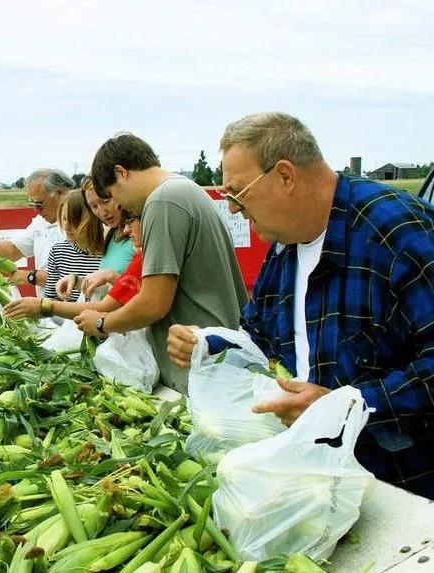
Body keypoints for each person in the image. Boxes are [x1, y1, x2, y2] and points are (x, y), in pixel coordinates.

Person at [167, 112, 434, 498]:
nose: (233, 209)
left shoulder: (397, 232)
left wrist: (349, 407)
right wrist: (211, 343)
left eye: (237, 193)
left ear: (285, 176)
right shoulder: (284, 247)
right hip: (321, 482)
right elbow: (262, 337)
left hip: (403, 492)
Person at [74, 133, 247, 394]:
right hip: (213, 361)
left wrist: (101, 324)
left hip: (201, 369)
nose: (119, 204)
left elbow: (153, 303)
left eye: (112, 194)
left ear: (121, 173)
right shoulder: (183, 190)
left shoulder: (163, 201)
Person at [4, 210, 144, 320]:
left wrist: (43, 306)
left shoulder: (135, 248)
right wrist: (78, 281)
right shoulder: (112, 238)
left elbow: (107, 305)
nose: (101, 212)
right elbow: (113, 291)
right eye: (64, 219)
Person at [0, 189, 103, 316]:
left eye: (74, 220)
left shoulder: (108, 252)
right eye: (64, 219)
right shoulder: (58, 252)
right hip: (66, 327)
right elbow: (50, 300)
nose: (66, 227)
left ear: (93, 218)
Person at [0, 169, 71, 294]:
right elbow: (14, 249)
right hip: (48, 308)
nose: (36, 211)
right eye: (32, 204)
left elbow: (74, 276)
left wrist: (30, 277)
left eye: (39, 204)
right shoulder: (40, 222)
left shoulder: (82, 223)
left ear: (60, 193)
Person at [56, 176, 135, 301]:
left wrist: (111, 276)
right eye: (94, 206)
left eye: (105, 201)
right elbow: (108, 291)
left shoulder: (137, 238)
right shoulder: (111, 234)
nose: (102, 212)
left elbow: (147, 298)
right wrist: (77, 281)